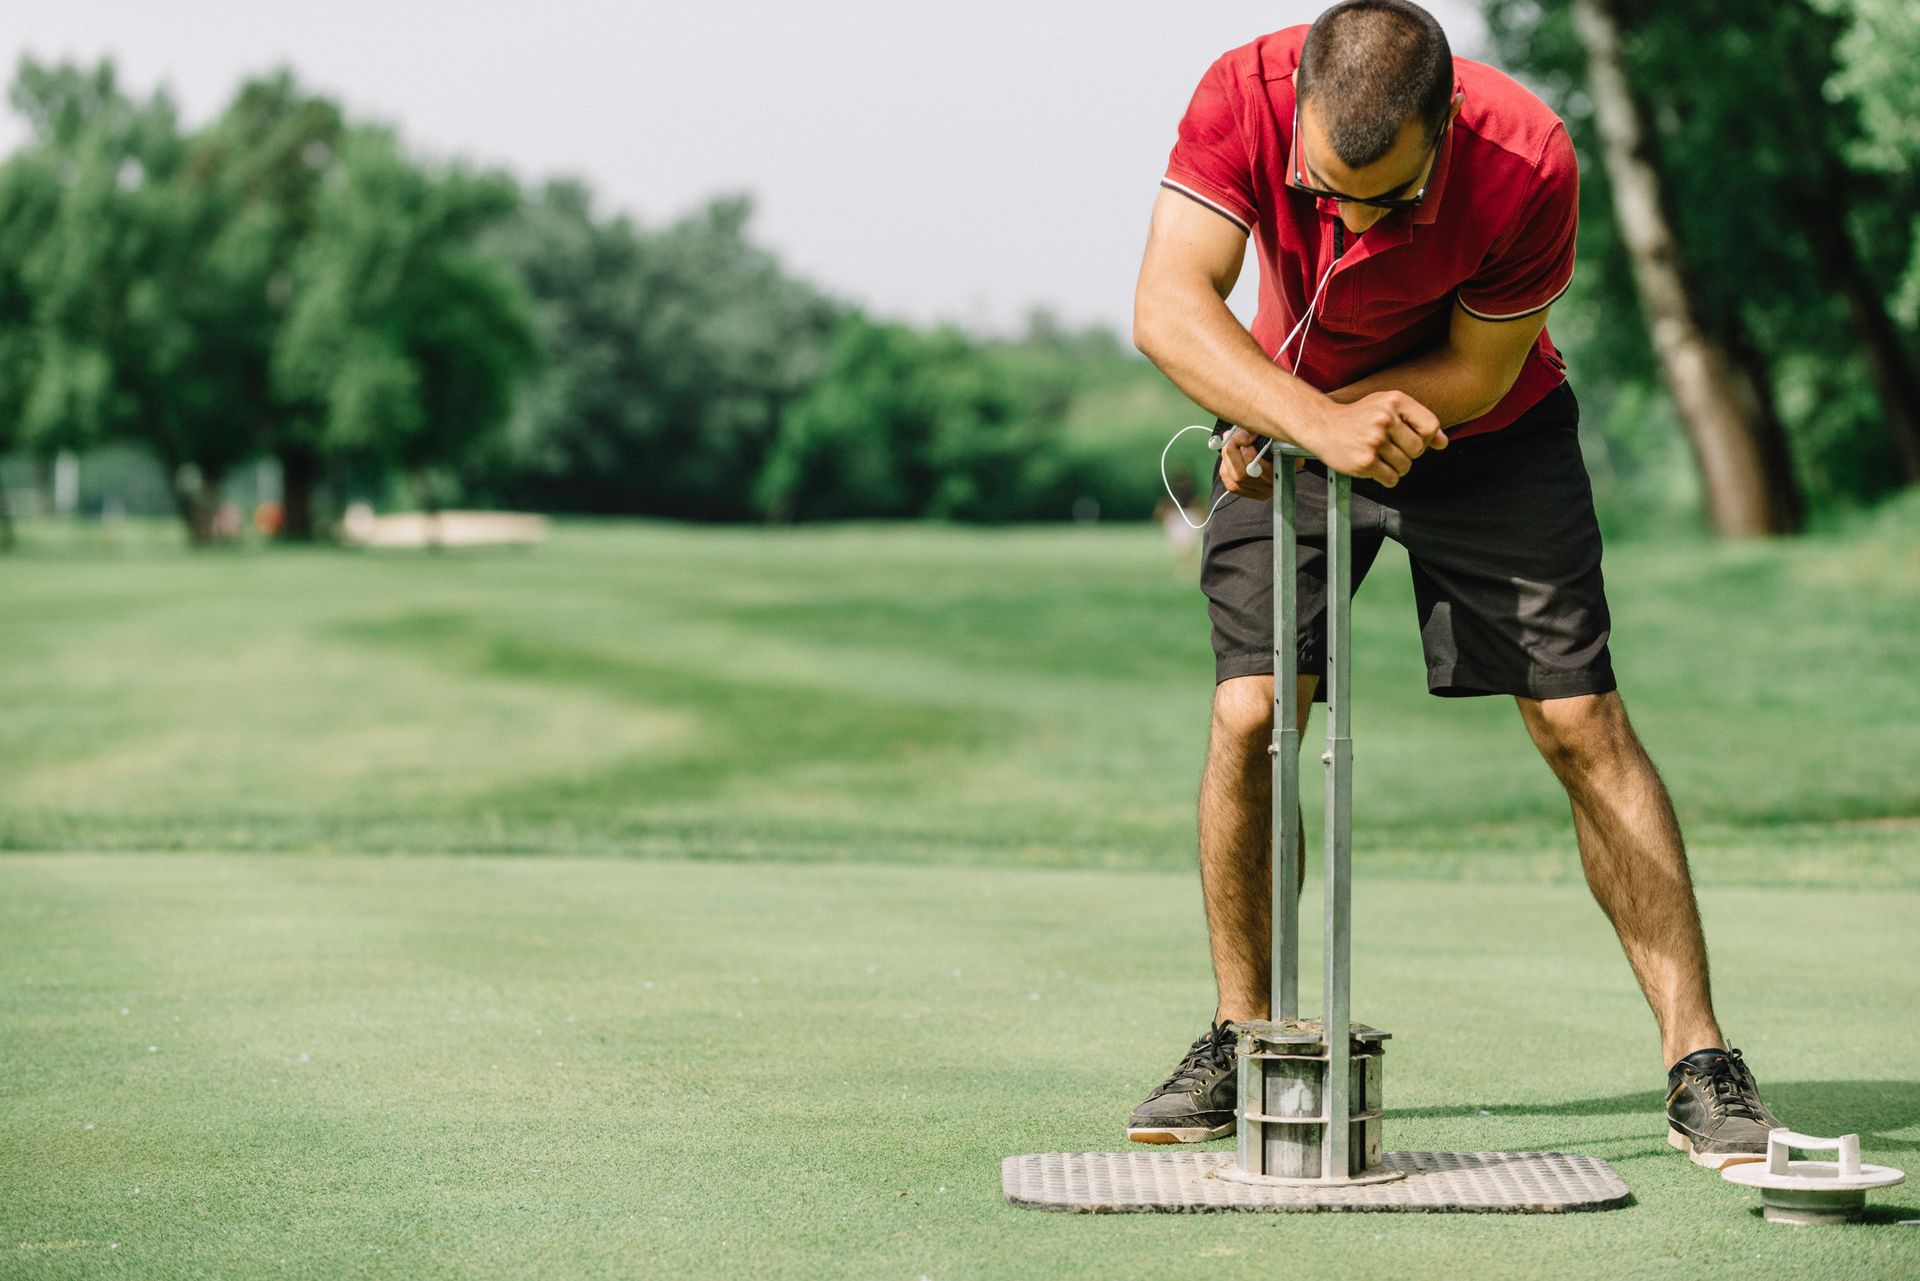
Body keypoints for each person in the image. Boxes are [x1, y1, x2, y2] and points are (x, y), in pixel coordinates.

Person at [1126, 0, 1782, 1169]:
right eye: (1328, 191)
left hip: (1491, 430)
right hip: (1297, 420)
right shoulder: (1240, 93)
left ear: (1449, 121)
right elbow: (1169, 307)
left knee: (1582, 718)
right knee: (1253, 712)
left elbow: (1479, 371)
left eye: (1387, 199)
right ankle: (1239, 1033)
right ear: (1300, 114)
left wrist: (1316, 419)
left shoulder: (1529, 157)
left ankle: (1700, 1062)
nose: (1352, 219)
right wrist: (1299, 419)